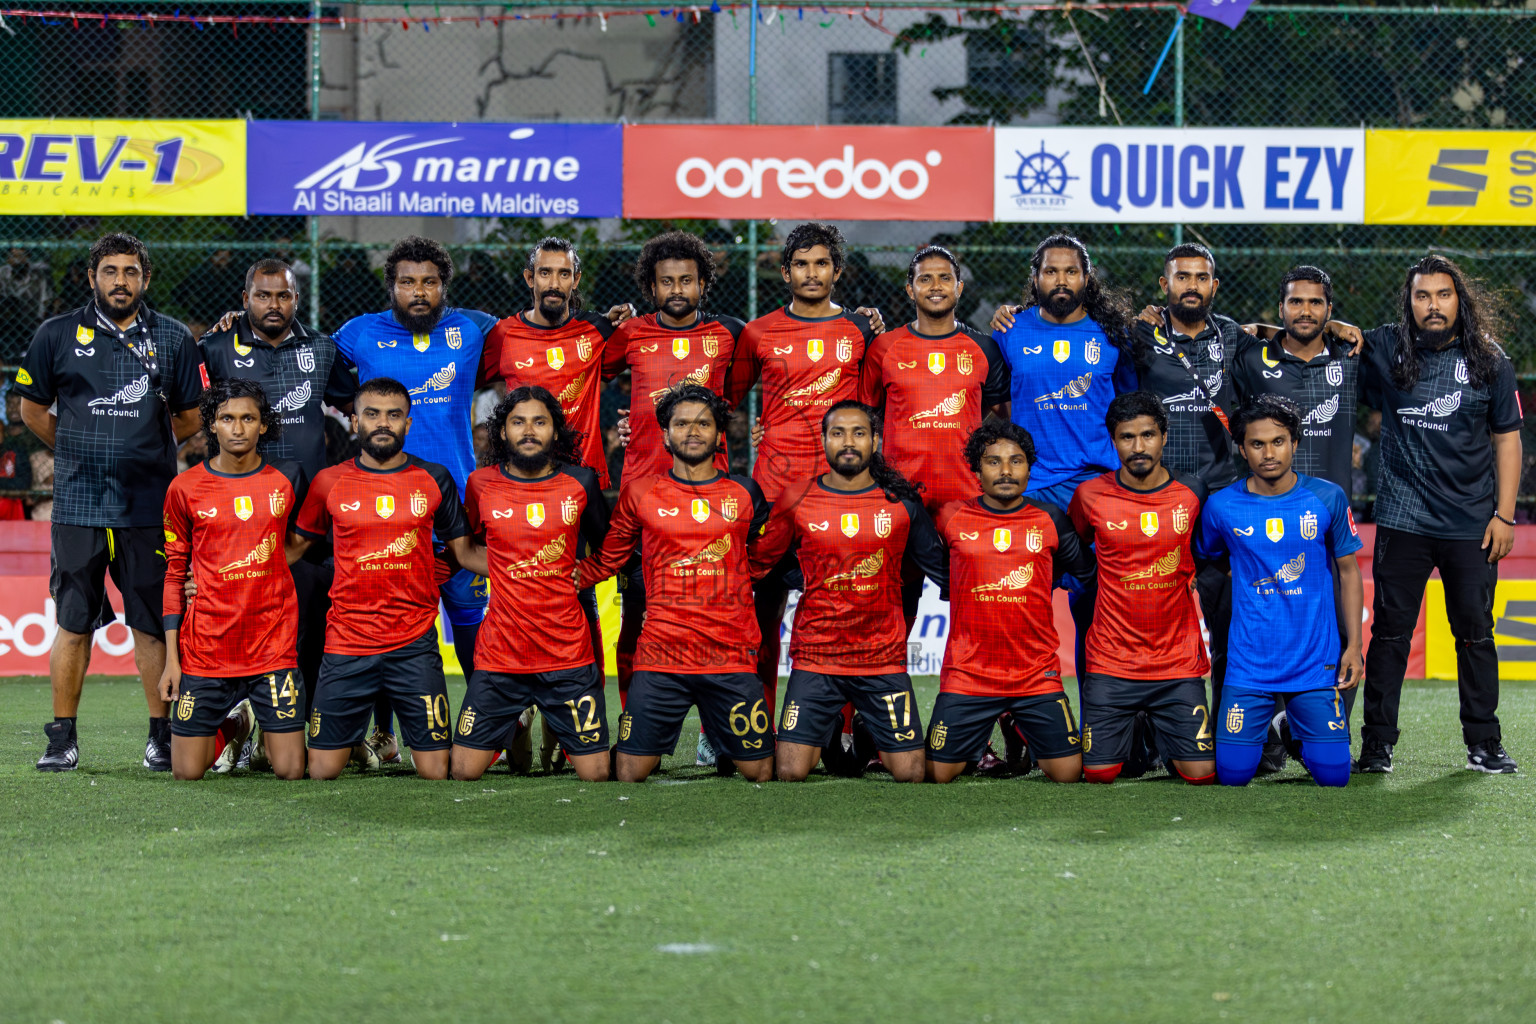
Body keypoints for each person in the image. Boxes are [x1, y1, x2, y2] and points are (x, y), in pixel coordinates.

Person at [18, 233, 204, 772]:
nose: (119, 281)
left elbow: (190, 418)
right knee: (74, 621)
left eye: (130, 271)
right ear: (92, 276)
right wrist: (79, 451)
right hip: (78, 503)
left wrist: (142, 449)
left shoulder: (172, 338)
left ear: (145, 278)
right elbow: (32, 411)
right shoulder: (56, 333)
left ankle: (161, 737)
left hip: (149, 505)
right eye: (109, 271)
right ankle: (62, 739)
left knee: (150, 622)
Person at [330, 237, 496, 758]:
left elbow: (540, 335)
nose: (419, 292)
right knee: (386, 623)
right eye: (408, 282)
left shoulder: (476, 327)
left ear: (444, 285)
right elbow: (309, 366)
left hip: (459, 505)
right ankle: (381, 731)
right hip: (386, 510)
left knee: (470, 622)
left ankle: (489, 723)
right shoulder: (357, 334)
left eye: (429, 282)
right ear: (392, 287)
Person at [1356, 255, 1523, 774]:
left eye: (1443, 295)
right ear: (1408, 303)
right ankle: (1377, 745)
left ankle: (1484, 744)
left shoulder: (1488, 360)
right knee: (1388, 636)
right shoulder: (1384, 347)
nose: (1433, 305)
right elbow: (1317, 337)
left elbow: (1508, 440)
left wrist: (1505, 516)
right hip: (1403, 521)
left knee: (1475, 634)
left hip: (1472, 527)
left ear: (1460, 299)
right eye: (1422, 295)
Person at [725, 222, 884, 736]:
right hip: (773, 495)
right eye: (801, 264)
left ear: (837, 271)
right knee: (758, 614)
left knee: (843, 611)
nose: (811, 273)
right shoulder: (758, 332)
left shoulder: (861, 331)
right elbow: (721, 401)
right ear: (785, 271)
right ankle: (743, 725)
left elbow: (873, 407)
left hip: (839, 496)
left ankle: (840, 729)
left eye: (821, 263)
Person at [574, 383, 774, 783]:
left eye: (703, 423)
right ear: (665, 435)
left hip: (728, 653)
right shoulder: (640, 492)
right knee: (630, 773)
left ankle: (726, 741)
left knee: (763, 772)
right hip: (662, 655)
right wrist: (557, 575)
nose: (693, 431)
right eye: (681, 424)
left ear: (719, 435)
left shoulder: (746, 492)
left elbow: (763, 556)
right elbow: (610, 558)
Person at [290, 378, 485, 781]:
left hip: (414, 643)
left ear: (408, 424)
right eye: (372, 414)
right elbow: (295, 548)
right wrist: (218, 572)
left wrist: (536, 565)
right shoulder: (329, 481)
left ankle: (390, 738)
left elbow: (463, 552)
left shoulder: (435, 478)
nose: (383, 423)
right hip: (347, 642)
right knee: (322, 770)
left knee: (436, 770)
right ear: (354, 422)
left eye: (394, 415)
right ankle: (358, 736)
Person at [750, 401, 948, 784]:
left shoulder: (902, 504)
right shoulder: (797, 498)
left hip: (881, 660)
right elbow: (761, 563)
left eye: (859, 433)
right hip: (817, 656)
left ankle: (864, 730)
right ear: (823, 441)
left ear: (875, 440)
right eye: (838, 433)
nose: (848, 442)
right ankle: (824, 731)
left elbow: (944, 571)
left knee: (911, 773)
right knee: (789, 771)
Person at [200, 259, 355, 720]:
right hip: (237, 510)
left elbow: (356, 407)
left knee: (309, 619)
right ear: (245, 298)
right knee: (238, 616)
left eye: (283, 295)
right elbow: (189, 412)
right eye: (263, 295)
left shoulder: (323, 350)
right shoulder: (213, 346)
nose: (274, 304)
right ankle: (233, 723)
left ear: (296, 299)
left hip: (306, 513)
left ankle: (300, 723)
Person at [602, 231, 746, 701]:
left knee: (718, 614)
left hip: (712, 498)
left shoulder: (731, 333)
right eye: (667, 282)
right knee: (637, 616)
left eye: (687, 280)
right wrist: (630, 425)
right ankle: (631, 716)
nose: (677, 289)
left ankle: (714, 729)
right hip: (644, 500)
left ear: (704, 283)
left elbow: (738, 394)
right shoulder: (631, 333)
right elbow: (587, 378)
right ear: (651, 287)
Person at [988, 235, 1138, 684]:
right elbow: (995, 401)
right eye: (1050, 271)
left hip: (1097, 491)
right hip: (1031, 491)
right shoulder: (1009, 330)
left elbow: (1130, 411)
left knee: (1098, 620)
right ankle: (1026, 727)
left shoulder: (1113, 335)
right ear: (1035, 279)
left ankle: (1105, 732)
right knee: (1020, 614)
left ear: (1086, 278)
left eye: (1070, 271)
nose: (1061, 280)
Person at [1195, 396, 1364, 788]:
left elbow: (1349, 572)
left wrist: (1353, 645)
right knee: (1234, 775)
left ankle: (1290, 726)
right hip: (1249, 664)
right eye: (1257, 444)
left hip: (1314, 662)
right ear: (1242, 448)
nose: (1268, 453)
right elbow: (1209, 558)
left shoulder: (1327, 497)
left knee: (1334, 776)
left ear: (1295, 444)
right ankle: (1272, 722)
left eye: (1278, 441)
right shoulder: (1221, 507)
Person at [451, 385, 612, 783]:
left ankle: (548, 730)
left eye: (539, 422)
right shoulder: (481, 483)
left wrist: (587, 573)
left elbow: (611, 548)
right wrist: (510, 567)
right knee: (462, 771)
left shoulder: (582, 482)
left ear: (555, 431)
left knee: (596, 774)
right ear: (502, 432)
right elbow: (469, 549)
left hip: (566, 654)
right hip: (501, 655)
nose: (528, 430)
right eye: (518, 422)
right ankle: (516, 724)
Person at [927, 421, 1092, 784]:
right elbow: (944, 572)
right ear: (976, 468)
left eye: (1016, 461)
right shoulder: (951, 517)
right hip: (969, 673)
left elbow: (1083, 569)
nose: (1005, 471)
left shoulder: (1050, 518)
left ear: (1030, 467)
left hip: (1035, 674)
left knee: (1068, 774)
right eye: (993, 462)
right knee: (937, 774)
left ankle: (1019, 724)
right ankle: (982, 732)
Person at [158, 379, 306, 781]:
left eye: (247, 418)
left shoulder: (286, 482)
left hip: (270, 644)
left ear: (263, 426)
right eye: (227, 418)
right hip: (207, 646)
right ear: (212, 425)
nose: (237, 428)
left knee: (291, 769)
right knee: (187, 772)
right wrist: (173, 660)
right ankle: (236, 725)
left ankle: (262, 722)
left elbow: (297, 545)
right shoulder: (183, 488)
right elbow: (174, 574)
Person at [858, 244, 1010, 632]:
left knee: (973, 611)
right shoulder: (884, 348)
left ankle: (966, 692)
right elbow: (865, 416)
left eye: (945, 278)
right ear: (910, 290)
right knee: (894, 612)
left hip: (964, 501)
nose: (936, 286)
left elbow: (1003, 416)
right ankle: (886, 690)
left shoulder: (984, 349)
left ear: (959, 287)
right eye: (925, 278)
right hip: (900, 500)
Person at [1068, 392, 1214, 785]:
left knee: (1200, 774)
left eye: (1147, 435)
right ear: (1112, 441)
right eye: (1126, 437)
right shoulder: (1090, 495)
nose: (1138, 447)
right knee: (1098, 774)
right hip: (1112, 661)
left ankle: (1165, 735)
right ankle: (1142, 730)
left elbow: (1204, 549)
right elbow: (1074, 545)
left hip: (1175, 660)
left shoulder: (1193, 493)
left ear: (1164, 437)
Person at [1127, 244, 1241, 707]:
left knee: (1226, 621)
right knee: (1147, 615)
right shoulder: (1138, 337)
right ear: (1164, 285)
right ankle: (1144, 733)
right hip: (1155, 499)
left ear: (1214, 286)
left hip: (1217, 499)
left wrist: (1332, 328)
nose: (1190, 285)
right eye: (1181, 277)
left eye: (1200, 277)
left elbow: (1287, 341)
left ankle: (1231, 728)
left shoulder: (1235, 337)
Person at [1232, 266, 1359, 496]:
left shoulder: (1351, 357)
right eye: (1296, 302)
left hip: (1331, 505)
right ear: (1281, 309)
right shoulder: (1251, 359)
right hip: (1268, 506)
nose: (1305, 311)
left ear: (1329, 310)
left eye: (1315, 303)